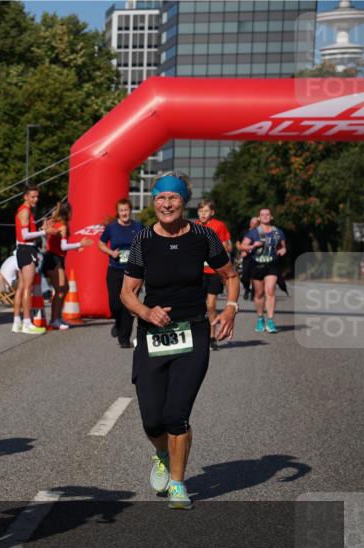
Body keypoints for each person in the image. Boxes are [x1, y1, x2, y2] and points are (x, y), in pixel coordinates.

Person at [121, 172, 239, 510]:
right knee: (151, 419)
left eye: (172, 198)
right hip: (152, 333)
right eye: (160, 198)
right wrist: (146, 312)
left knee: (176, 413)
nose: (166, 204)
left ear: (183, 201)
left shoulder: (204, 236)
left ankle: (177, 483)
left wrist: (230, 309)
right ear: (154, 202)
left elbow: (230, 276)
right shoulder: (143, 240)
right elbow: (127, 292)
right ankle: (161, 453)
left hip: (194, 331)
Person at [98, 198, 143, 348]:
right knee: (115, 304)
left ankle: (124, 338)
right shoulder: (111, 228)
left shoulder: (138, 227)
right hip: (115, 269)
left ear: (130, 210)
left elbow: (145, 244)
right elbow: (101, 243)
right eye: (121, 210)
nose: (124, 213)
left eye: (126, 210)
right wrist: (111, 252)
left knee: (129, 305)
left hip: (133, 271)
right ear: (118, 212)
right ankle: (118, 324)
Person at [41, 202, 93, 330]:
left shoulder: (57, 224)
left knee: (64, 288)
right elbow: (63, 246)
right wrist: (79, 244)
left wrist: (76, 247)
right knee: (60, 289)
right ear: (68, 213)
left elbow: (58, 242)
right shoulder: (62, 226)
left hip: (55, 257)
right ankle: (54, 319)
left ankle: (57, 317)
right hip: (53, 258)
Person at [240, 207, 286, 334]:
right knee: (259, 294)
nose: (265, 216)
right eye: (262, 215)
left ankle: (270, 321)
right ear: (259, 218)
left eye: (267, 214)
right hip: (257, 265)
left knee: (270, 290)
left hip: (272, 264)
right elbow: (242, 246)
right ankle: (260, 319)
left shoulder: (278, 232)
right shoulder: (253, 232)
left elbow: (283, 247)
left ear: (271, 217)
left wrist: (282, 250)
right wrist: (252, 246)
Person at [195, 199, 232, 350]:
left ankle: (212, 337)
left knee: (211, 305)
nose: (203, 214)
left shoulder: (219, 225)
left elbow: (225, 246)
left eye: (206, 211)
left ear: (212, 212)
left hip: (214, 272)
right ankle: (198, 336)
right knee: (198, 306)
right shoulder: (194, 226)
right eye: (200, 211)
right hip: (198, 272)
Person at [14, 185, 46, 334]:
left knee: (21, 287)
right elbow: (25, 235)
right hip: (26, 249)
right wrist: (46, 232)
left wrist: (40, 230)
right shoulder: (25, 211)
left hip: (23, 249)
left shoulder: (25, 211)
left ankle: (17, 322)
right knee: (28, 286)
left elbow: (25, 233)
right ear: (25, 196)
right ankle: (27, 322)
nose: (36, 199)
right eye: (33, 196)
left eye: (37, 196)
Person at [238, 216, 258, 300]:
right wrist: (241, 250)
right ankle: (247, 288)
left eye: (255, 223)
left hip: (257, 257)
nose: (253, 225)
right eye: (252, 223)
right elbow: (238, 242)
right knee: (245, 276)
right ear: (250, 223)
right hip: (246, 256)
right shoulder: (245, 232)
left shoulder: (259, 233)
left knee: (255, 276)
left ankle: (253, 292)